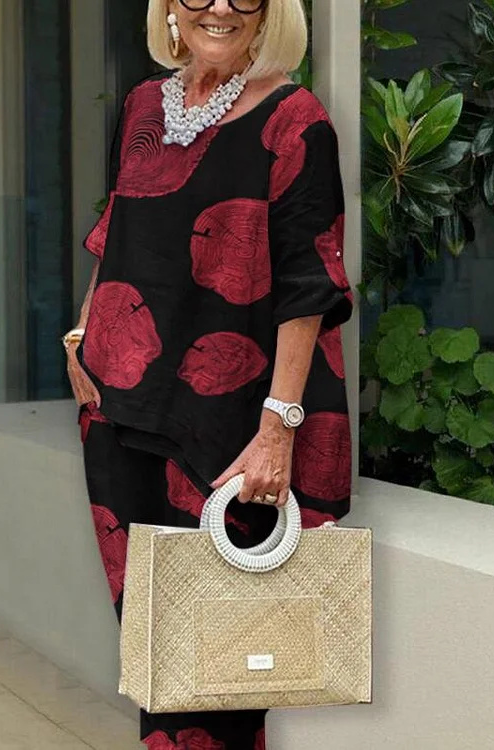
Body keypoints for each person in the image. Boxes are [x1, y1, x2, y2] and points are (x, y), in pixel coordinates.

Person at [63, 0, 353, 747]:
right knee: (160, 658)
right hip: (122, 413)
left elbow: (309, 287)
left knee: (222, 675)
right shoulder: (142, 107)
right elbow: (120, 226)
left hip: (229, 434)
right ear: (169, 8)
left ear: (269, 11)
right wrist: (84, 330)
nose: (219, 7)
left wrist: (278, 429)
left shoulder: (295, 121)